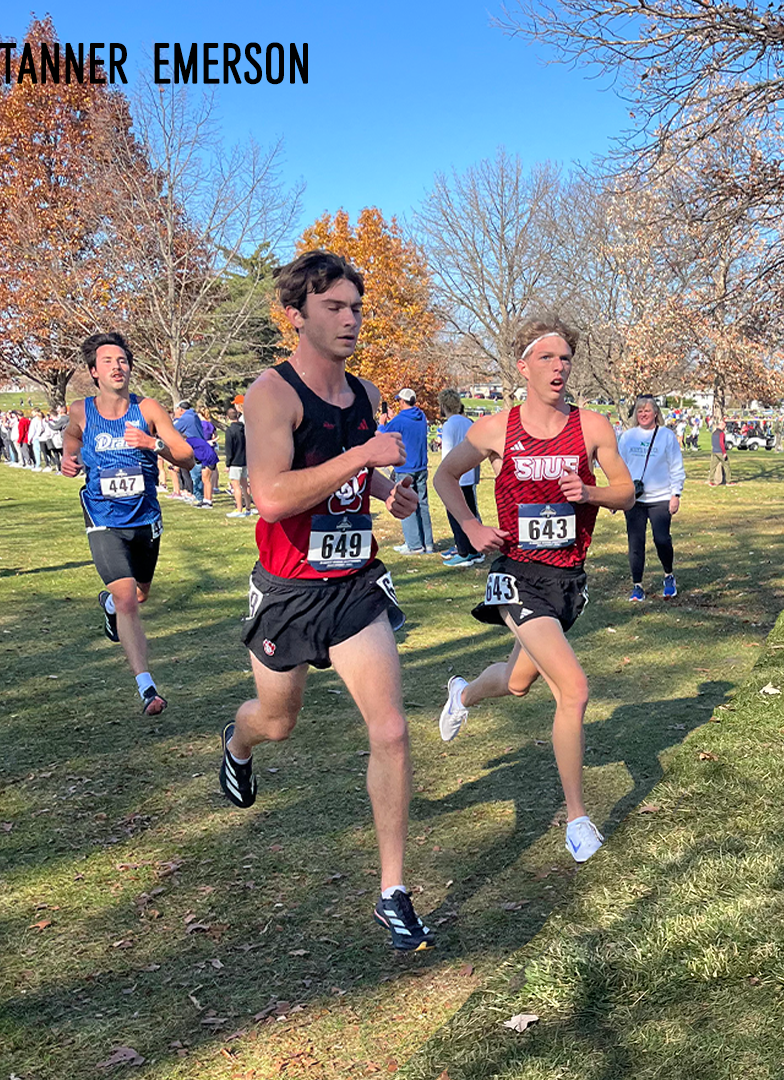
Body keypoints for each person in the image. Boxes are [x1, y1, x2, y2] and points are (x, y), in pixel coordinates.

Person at [222, 251, 433, 951]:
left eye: (356, 307)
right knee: (277, 724)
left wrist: (388, 494)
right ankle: (237, 742)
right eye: (334, 308)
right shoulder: (271, 394)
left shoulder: (365, 394)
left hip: (352, 588)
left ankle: (393, 890)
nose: (350, 320)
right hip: (288, 590)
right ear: (297, 316)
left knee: (393, 729)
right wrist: (361, 460)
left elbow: (357, 481)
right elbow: (274, 495)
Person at [433, 316, 636, 864]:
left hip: (567, 578)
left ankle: (463, 693)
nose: (559, 366)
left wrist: (591, 492)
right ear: (523, 366)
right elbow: (444, 477)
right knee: (573, 688)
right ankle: (578, 819)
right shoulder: (494, 429)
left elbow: (626, 493)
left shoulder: (591, 427)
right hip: (516, 573)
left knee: (519, 683)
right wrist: (473, 529)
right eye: (547, 357)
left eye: (566, 357)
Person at [59, 331, 198, 716]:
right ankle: (147, 687)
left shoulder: (148, 408)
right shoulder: (81, 411)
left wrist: (151, 444)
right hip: (102, 516)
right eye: (108, 361)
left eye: (122, 361)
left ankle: (109, 606)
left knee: (137, 596)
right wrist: (69, 460)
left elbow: (187, 458)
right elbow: (72, 439)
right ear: (94, 372)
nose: (117, 367)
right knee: (126, 599)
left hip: (144, 518)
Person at [618, 393, 685, 601]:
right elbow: (618, 468)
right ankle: (637, 585)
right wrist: (617, 494)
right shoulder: (628, 437)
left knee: (661, 539)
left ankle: (668, 575)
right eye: (640, 411)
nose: (643, 414)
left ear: (655, 413)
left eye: (647, 411)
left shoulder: (666, 436)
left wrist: (676, 494)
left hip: (661, 497)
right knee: (635, 543)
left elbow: (676, 466)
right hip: (634, 499)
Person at [381, 389, 434, 554]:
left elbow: (383, 435)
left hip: (405, 468)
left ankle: (414, 544)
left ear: (402, 402)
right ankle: (428, 543)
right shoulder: (421, 417)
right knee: (422, 505)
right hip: (421, 466)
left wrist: (383, 422)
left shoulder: (400, 420)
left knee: (405, 504)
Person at [437, 390, 484, 567]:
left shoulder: (450, 425)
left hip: (455, 477)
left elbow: (447, 453)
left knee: (456, 514)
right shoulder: (468, 422)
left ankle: (465, 551)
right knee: (471, 511)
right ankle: (473, 548)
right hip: (469, 474)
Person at [225, 407, 254, 516]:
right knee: (245, 484)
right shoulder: (245, 429)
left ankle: (239, 509)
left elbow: (229, 448)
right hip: (245, 460)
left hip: (235, 462)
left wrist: (228, 464)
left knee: (236, 485)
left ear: (228, 418)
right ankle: (248, 507)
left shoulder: (230, 431)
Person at [709, 418, 729, 486]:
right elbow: (721, 443)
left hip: (714, 451)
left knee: (712, 467)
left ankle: (711, 480)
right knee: (726, 465)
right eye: (724, 426)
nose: (724, 427)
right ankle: (728, 481)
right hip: (720, 451)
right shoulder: (721, 433)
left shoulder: (714, 433)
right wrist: (724, 452)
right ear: (722, 425)